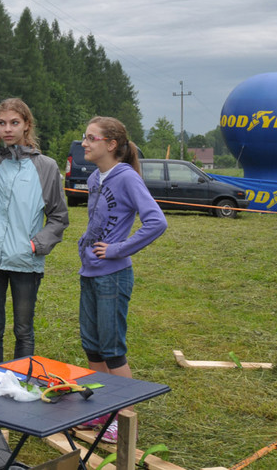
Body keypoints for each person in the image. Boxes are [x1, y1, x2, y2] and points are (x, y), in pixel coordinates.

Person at [77, 116, 167, 443]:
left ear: (111, 144)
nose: (84, 143)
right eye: (85, 137)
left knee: (113, 350)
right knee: (93, 347)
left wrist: (118, 249)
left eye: (91, 138)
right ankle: (100, 411)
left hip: (113, 276)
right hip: (89, 273)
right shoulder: (94, 179)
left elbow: (156, 222)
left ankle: (123, 418)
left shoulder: (126, 177)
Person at [0, 98, 69, 366]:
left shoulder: (45, 166)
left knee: (23, 331)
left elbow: (58, 216)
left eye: (14, 123)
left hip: (25, 261)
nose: (8, 129)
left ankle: (23, 387)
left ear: (26, 125)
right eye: (2, 123)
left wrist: (37, 244)